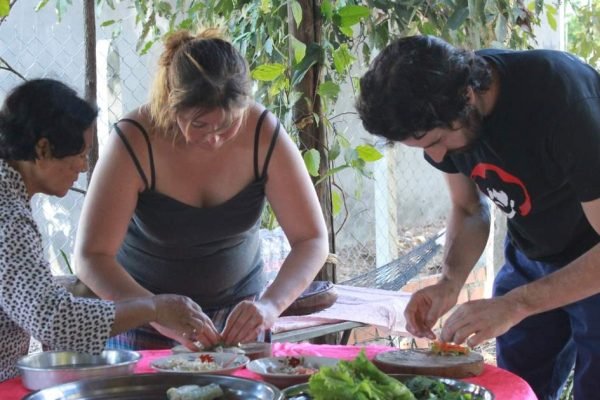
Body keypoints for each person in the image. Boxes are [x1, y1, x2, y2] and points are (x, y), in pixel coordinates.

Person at [356, 35, 600, 399]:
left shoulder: (560, 100)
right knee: (515, 389)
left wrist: (517, 303)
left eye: (435, 141)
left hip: (591, 259)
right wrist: (449, 282)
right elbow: (467, 208)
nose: (437, 156)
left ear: (468, 98)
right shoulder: (447, 114)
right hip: (530, 254)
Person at [74, 29, 329, 350]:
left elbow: (312, 240)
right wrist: (154, 311)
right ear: (172, 105)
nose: (215, 139)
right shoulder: (135, 139)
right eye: (199, 125)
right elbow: (90, 257)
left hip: (240, 319)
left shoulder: (263, 133)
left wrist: (269, 306)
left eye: (228, 125)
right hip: (146, 319)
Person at [0, 78, 215, 381]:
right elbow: (53, 320)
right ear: (43, 148)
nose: (83, 167)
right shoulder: (9, 218)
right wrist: (153, 308)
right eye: (79, 154)